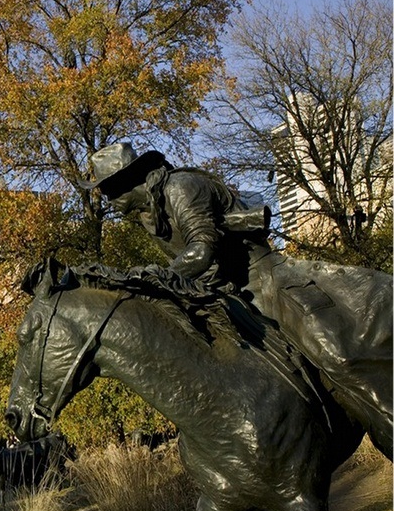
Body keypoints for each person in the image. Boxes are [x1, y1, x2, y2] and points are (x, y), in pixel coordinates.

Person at [82, 142, 392, 460]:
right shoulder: (151, 215)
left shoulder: (181, 187)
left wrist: (150, 281)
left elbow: (202, 250)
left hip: (265, 278)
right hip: (226, 293)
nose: (108, 201)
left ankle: (386, 418)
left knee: (331, 350)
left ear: (128, 182)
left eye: (108, 191)